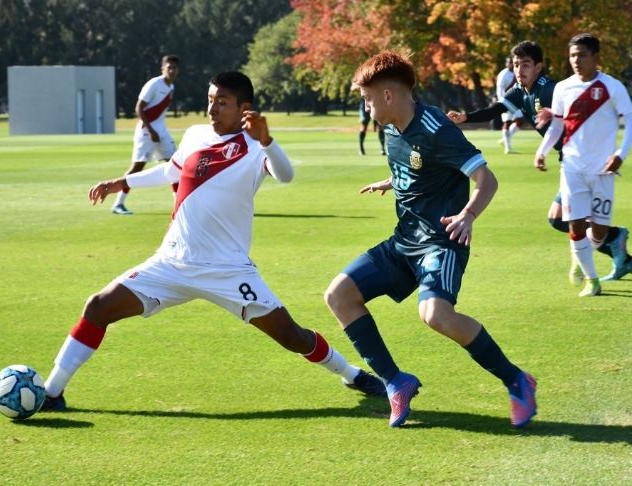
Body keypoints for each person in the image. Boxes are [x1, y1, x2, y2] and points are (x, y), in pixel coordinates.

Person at [40, 71, 385, 412]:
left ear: (244, 108)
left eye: (222, 102)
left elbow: (286, 174)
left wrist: (267, 140)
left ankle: (351, 374)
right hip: (171, 264)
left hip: (229, 272)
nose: (212, 109)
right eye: (210, 100)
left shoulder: (255, 147)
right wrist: (123, 182)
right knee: (97, 307)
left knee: (292, 336)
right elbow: (170, 172)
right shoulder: (195, 135)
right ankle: (51, 392)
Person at [324, 51, 537, 428]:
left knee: (435, 315)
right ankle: (396, 382)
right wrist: (390, 182)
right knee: (339, 295)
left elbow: (487, 179)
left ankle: (516, 380)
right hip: (404, 241)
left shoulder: (436, 127)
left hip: (441, 241)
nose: (365, 104)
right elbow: (414, 166)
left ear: (388, 96)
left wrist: (468, 215)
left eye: (367, 97)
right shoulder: (391, 129)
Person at [447, 40, 632, 284]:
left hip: (583, 161)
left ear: (539, 67)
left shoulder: (548, 88)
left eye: (525, 64)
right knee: (561, 219)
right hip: (570, 162)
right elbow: (496, 109)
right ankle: (613, 244)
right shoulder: (519, 91)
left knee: (563, 219)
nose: (519, 70)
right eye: (516, 65)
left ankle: (613, 240)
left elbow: (575, 110)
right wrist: (466, 118)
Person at [534, 34, 632, 297]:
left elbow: (631, 123)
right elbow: (557, 124)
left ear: (595, 57)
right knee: (575, 225)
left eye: (581, 55)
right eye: (572, 55)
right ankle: (593, 280)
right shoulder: (562, 88)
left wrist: (620, 154)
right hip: (572, 167)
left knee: (600, 231)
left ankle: (579, 257)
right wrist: (542, 151)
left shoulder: (612, 87)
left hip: (603, 170)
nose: (576, 60)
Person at [111, 55, 180, 215]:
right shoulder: (154, 84)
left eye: (174, 68)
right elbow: (139, 108)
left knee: (175, 165)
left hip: (161, 131)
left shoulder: (171, 87)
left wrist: (158, 130)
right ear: (162, 68)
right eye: (169, 67)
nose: (172, 70)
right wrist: (151, 130)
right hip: (146, 132)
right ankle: (118, 204)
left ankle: (179, 205)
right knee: (137, 167)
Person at [496, 57, 524, 154]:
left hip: (515, 102)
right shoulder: (503, 74)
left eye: (512, 62)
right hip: (505, 101)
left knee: (520, 120)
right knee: (507, 122)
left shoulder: (516, 73)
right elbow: (499, 89)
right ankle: (508, 148)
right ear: (506, 63)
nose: (511, 64)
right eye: (509, 62)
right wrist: (502, 102)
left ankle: (504, 140)